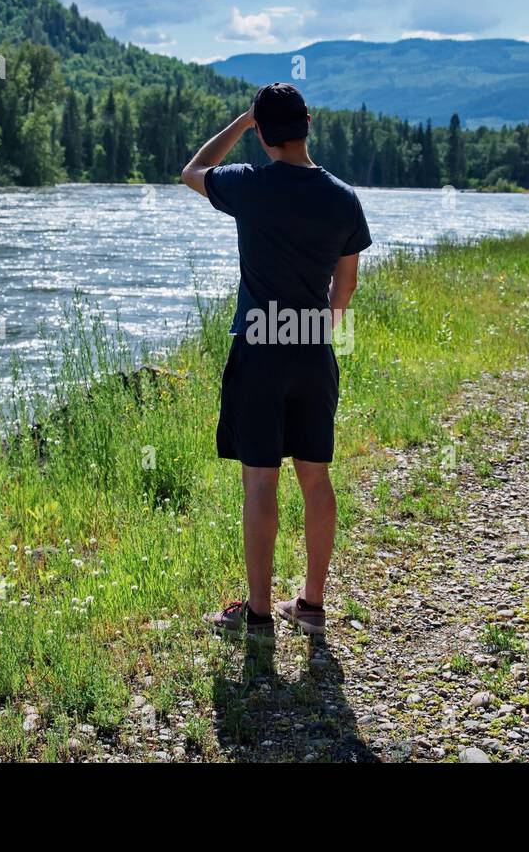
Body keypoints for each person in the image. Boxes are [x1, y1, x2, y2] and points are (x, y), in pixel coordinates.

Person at [181, 82, 371, 643]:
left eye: (259, 127)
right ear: (308, 124)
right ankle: (311, 605)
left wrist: (240, 124)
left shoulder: (248, 184)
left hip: (259, 349)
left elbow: (193, 171)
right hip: (313, 350)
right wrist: (315, 331)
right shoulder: (343, 197)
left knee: (260, 479)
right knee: (315, 475)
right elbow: (345, 289)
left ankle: (259, 617)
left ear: (262, 132)